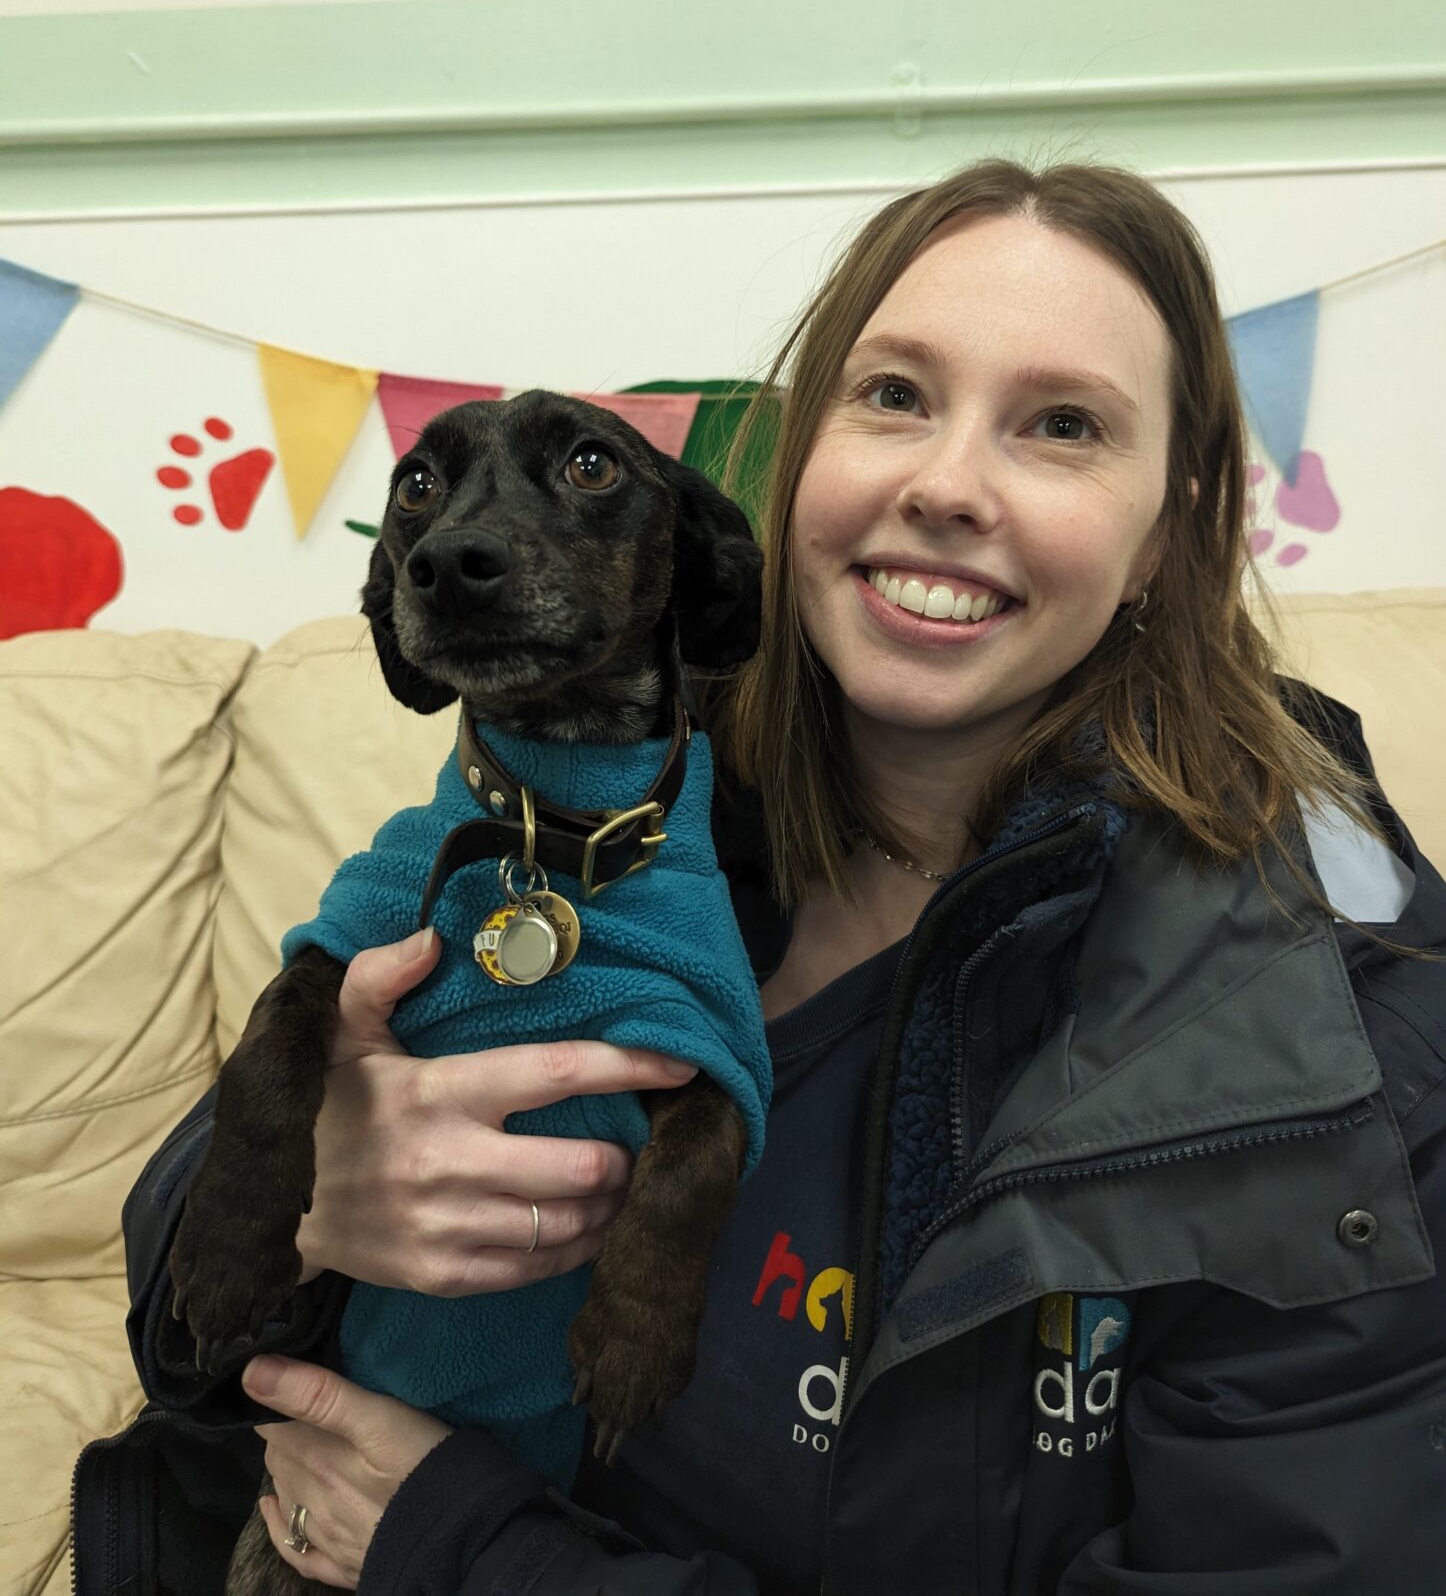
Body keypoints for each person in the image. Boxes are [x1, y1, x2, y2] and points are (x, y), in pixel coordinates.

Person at [83, 160, 1446, 1594]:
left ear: (1171, 531)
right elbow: (182, 1297)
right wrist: (314, 1205)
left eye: (1060, 426)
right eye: (894, 396)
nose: (943, 483)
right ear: (794, 470)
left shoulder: (1339, 1037)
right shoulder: (593, 789)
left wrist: (469, 1554)